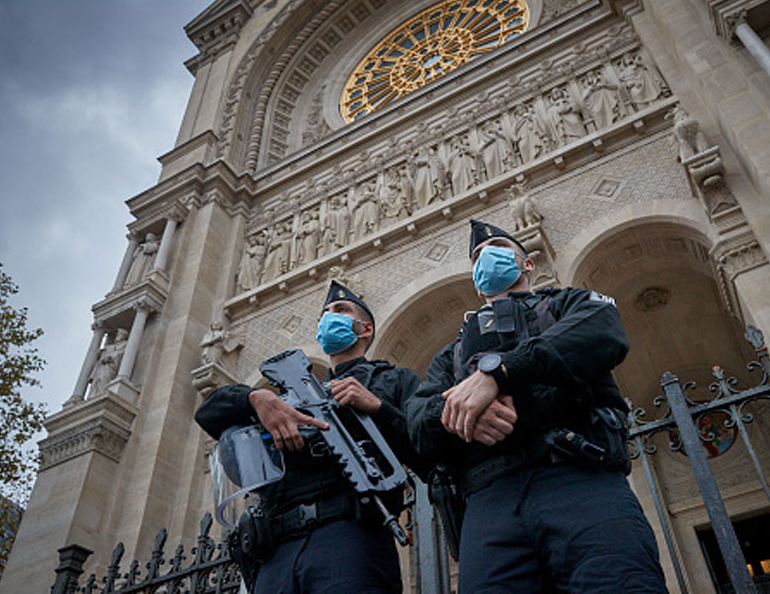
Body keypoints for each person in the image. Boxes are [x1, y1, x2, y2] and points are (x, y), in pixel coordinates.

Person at [406, 219, 668, 593]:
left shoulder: (567, 303)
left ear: (527, 263)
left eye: (496, 247)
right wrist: (462, 414)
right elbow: (417, 420)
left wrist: (497, 375)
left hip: (578, 479)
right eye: (478, 256)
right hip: (488, 501)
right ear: (477, 284)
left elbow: (602, 331)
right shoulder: (451, 354)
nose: (485, 256)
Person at [195, 280, 426, 594]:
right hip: (276, 551)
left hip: (350, 536)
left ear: (366, 329)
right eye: (325, 314)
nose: (330, 317)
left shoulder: (392, 381)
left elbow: (427, 448)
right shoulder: (288, 396)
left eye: (341, 310)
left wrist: (376, 407)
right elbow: (208, 413)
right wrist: (256, 399)